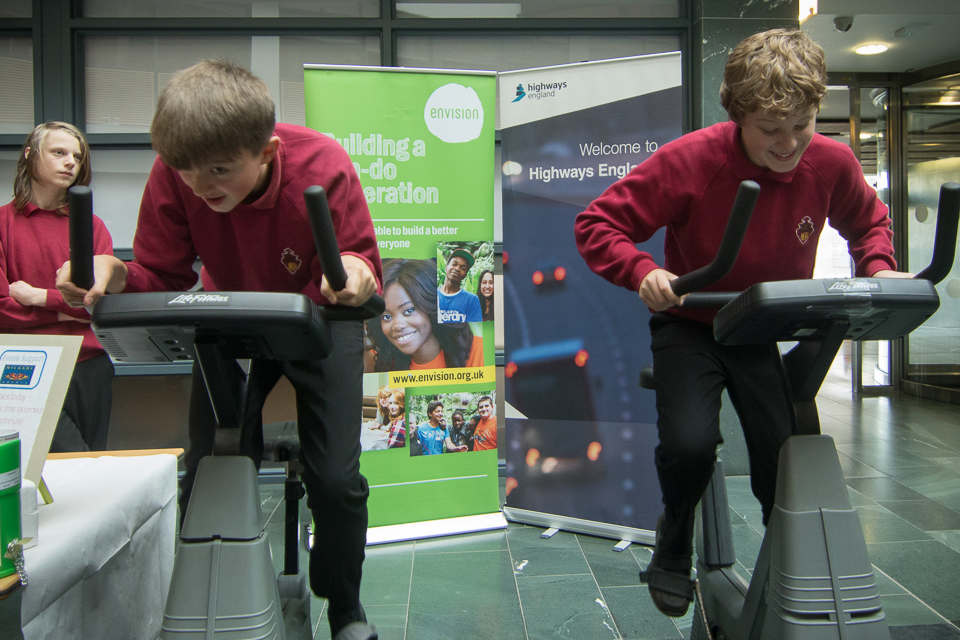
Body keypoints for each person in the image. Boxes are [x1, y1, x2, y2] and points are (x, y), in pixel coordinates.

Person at [574, 28, 908, 619]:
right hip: (691, 322)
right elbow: (597, 225)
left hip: (762, 321)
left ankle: (787, 562)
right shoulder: (693, 159)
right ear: (737, 117)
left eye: (802, 124)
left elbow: (870, 223)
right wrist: (642, 270)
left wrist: (877, 271)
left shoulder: (830, 161)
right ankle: (674, 541)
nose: (790, 144)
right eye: (771, 131)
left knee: (782, 458)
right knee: (691, 445)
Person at [55, 60, 381, 639]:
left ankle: (345, 605)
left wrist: (353, 275)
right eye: (186, 171)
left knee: (335, 480)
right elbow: (160, 271)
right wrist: (113, 271)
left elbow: (357, 264)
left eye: (221, 170)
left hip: (322, 314)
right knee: (209, 466)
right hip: (232, 317)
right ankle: (215, 597)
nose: (202, 186)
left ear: (268, 149)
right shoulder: (175, 173)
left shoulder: (322, 162)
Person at [1, 122, 115, 452]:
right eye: (59, 152)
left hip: (88, 365)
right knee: (42, 470)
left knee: (89, 468)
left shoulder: (92, 227)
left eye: (77, 157)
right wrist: (69, 314)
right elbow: (1, 309)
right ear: (29, 155)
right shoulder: (2, 223)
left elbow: (98, 306)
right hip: (25, 367)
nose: (70, 162)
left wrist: (40, 297)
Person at [367, 258, 483, 371]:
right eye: (386, 317)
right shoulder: (383, 363)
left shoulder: (477, 351)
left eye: (409, 311)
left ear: (431, 305)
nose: (397, 325)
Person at [437, 247, 482, 323]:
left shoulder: (471, 300)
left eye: (463, 268)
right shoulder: (432, 295)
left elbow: (475, 330)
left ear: (465, 275)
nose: (457, 269)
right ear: (446, 268)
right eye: (454, 264)